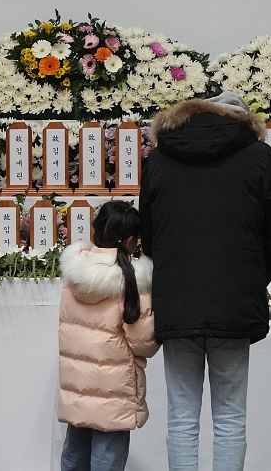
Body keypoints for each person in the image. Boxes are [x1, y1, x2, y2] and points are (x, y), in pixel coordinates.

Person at [139, 92, 271, 471]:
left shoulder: (160, 158)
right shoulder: (258, 156)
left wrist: (173, 272)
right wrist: (253, 276)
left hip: (177, 300)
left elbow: (148, 230)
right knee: (229, 416)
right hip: (234, 299)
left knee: (181, 416)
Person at [57, 201, 157, 471]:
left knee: (73, 456)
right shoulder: (132, 280)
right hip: (115, 389)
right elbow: (144, 343)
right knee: (107, 459)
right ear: (129, 240)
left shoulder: (74, 273)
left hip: (77, 385)